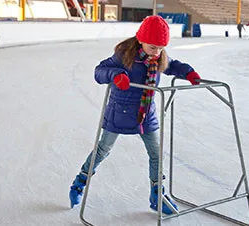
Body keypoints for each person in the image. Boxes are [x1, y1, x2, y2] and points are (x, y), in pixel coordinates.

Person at [69, 15, 201, 214]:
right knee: (103, 150)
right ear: (141, 39)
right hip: (119, 112)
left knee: (156, 153)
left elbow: (173, 66)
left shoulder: (160, 57)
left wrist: (189, 73)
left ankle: (157, 194)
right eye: (152, 47)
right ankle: (79, 182)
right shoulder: (124, 55)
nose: (156, 52)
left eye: (160, 48)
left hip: (146, 114)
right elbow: (100, 71)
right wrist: (116, 75)